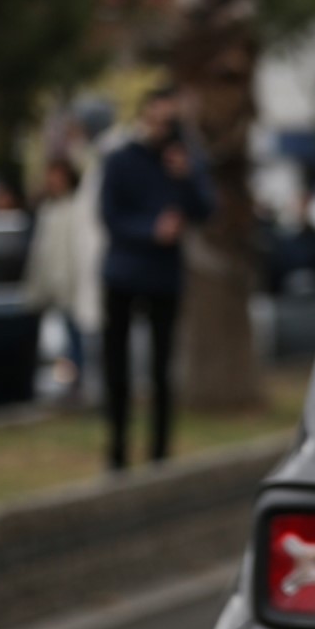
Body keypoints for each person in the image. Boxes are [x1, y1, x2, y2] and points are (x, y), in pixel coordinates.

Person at [97, 84, 214, 469]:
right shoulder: (120, 160)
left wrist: (187, 175)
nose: (164, 127)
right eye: (158, 118)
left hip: (164, 276)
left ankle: (159, 453)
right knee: (118, 368)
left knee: (163, 368)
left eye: (171, 120)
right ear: (145, 117)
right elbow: (110, 216)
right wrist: (151, 229)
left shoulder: (183, 161)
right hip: (124, 273)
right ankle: (117, 451)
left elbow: (205, 208)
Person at [24, 158, 86, 399]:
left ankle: (76, 385)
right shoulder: (47, 209)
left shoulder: (78, 208)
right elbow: (41, 252)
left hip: (71, 287)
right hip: (48, 286)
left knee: (75, 337)